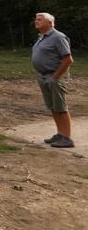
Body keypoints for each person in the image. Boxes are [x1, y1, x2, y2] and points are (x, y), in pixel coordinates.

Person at [32, 12, 75, 148]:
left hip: (55, 76)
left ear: (50, 23)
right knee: (52, 106)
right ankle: (60, 134)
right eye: (36, 19)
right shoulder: (42, 37)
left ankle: (67, 138)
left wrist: (55, 77)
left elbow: (68, 59)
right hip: (44, 76)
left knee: (60, 106)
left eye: (40, 19)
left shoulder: (58, 37)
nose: (36, 21)